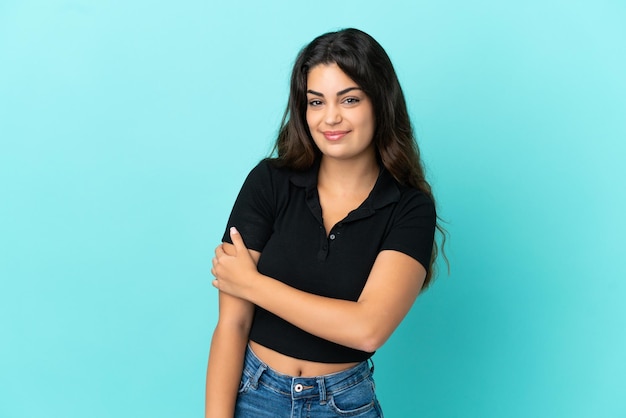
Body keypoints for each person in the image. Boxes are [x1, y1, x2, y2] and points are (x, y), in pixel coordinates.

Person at [206, 28, 444, 418]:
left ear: (380, 104)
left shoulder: (410, 208)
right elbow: (231, 325)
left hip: (344, 404)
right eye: (316, 102)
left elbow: (368, 328)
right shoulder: (269, 182)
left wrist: (253, 284)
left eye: (349, 99)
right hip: (254, 394)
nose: (330, 117)